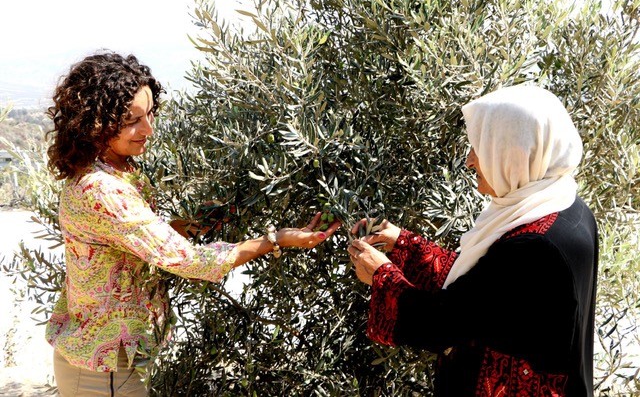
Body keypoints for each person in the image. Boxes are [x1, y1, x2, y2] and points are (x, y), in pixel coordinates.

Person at [44, 52, 340, 396]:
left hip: (113, 361)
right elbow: (189, 261)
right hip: (102, 369)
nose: (148, 129)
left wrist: (198, 223)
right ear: (95, 122)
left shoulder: (116, 169)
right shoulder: (101, 189)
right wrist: (275, 240)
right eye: (132, 120)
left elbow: (139, 242)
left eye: (150, 113)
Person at [347, 85, 598, 397]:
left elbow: (443, 323)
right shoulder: (563, 206)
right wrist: (403, 244)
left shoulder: (534, 245)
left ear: (512, 153)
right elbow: (485, 293)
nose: (469, 161)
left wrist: (381, 275)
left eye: (480, 148)